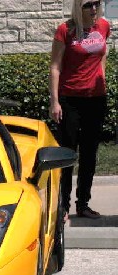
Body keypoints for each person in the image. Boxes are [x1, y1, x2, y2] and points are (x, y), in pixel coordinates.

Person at [49, 0, 110, 220]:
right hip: (70, 100)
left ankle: (82, 204)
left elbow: (102, 53)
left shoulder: (103, 26)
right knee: (68, 154)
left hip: (96, 99)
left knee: (89, 155)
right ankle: (63, 206)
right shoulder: (66, 30)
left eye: (96, 3)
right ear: (78, 7)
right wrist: (54, 101)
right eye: (87, 5)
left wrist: (99, 76)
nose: (93, 9)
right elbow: (55, 67)